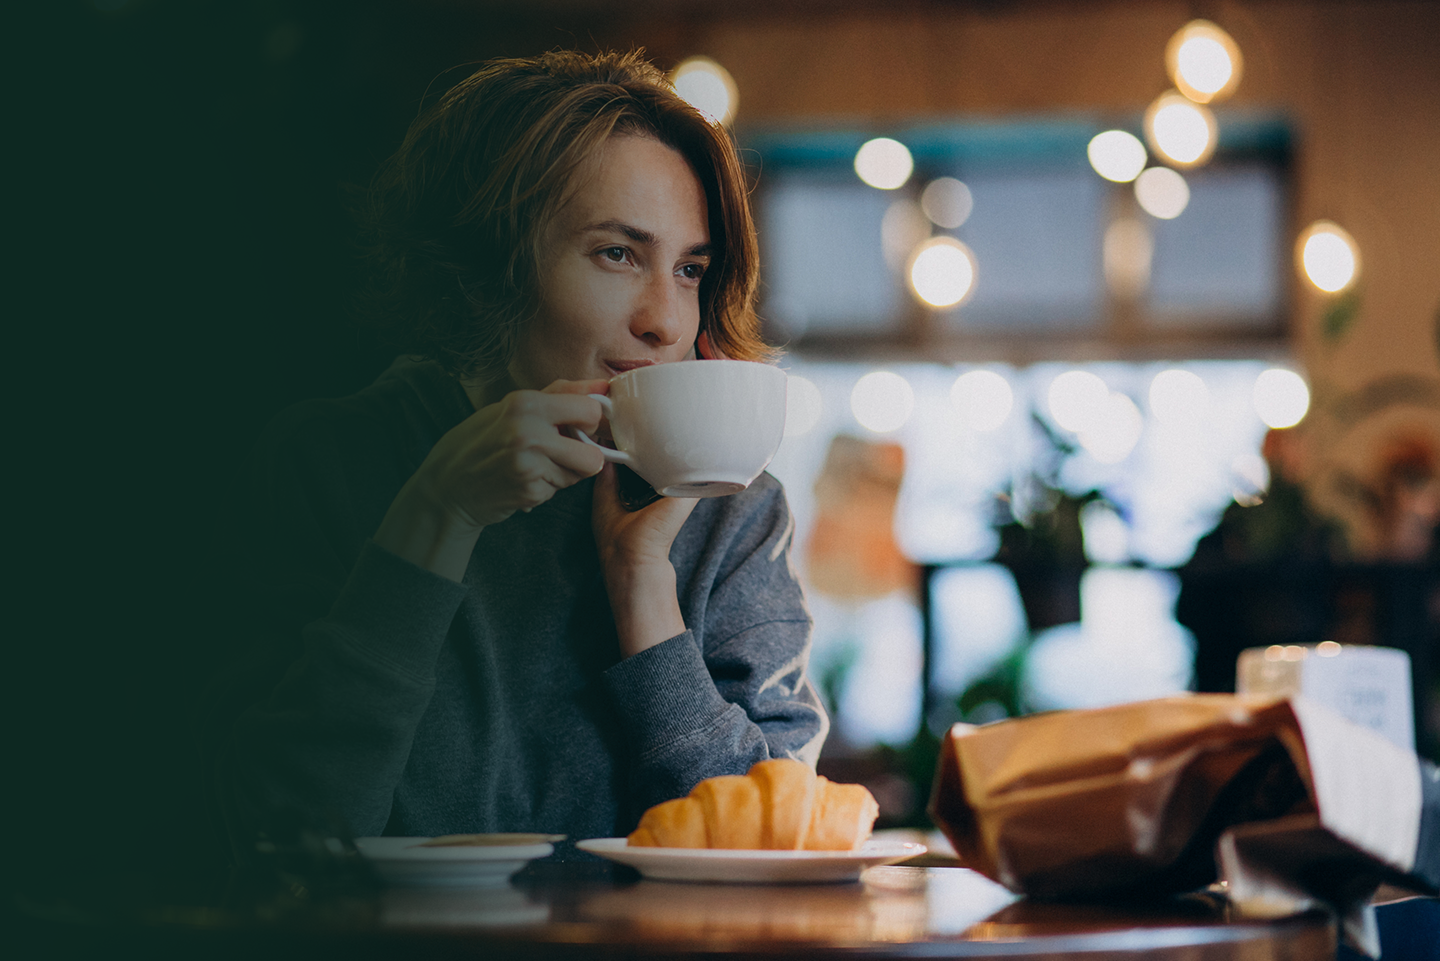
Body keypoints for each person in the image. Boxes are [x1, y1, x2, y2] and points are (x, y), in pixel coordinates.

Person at [203, 50, 828, 863]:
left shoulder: (731, 508)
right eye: (617, 253)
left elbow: (774, 845)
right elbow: (277, 828)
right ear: (489, 267)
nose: (665, 322)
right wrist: (434, 519)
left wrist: (646, 593)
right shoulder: (330, 461)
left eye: (689, 270)